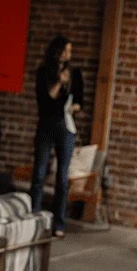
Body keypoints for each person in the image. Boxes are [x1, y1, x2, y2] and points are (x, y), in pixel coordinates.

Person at [29, 36, 84, 238]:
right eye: (65, 50)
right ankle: (34, 218)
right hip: (46, 125)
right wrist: (59, 83)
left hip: (66, 126)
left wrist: (74, 106)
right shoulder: (44, 72)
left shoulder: (75, 73)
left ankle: (58, 223)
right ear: (57, 51)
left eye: (70, 51)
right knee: (40, 174)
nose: (68, 55)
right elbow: (45, 100)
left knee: (62, 176)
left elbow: (80, 100)